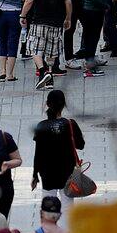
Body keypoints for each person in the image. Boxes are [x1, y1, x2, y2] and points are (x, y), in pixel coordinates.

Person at [30, 90, 84, 218]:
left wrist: (35, 175)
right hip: (67, 171)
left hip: (47, 173)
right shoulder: (70, 124)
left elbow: (38, 153)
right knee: (68, 208)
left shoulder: (41, 126)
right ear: (63, 105)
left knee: (48, 208)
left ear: (47, 104)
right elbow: (80, 145)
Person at [19, 0, 70, 90]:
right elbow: (68, 3)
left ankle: (42, 71)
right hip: (56, 22)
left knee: (34, 47)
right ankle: (50, 74)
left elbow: (29, 1)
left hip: (39, 21)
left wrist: (23, 15)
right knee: (52, 50)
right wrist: (68, 18)